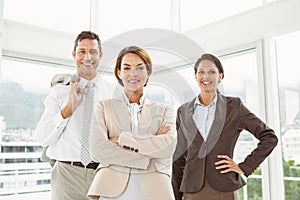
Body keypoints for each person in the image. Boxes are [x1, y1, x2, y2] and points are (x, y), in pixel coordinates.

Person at [172, 53, 278, 200]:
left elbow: (269, 137)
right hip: (191, 189)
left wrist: (245, 166)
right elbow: (178, 156)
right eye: (201, 72)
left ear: (220, 75)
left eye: (212, 72)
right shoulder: (183, 111)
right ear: (195, 76)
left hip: (223, 187)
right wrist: (176, 195)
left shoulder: (234, 106)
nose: (206, 77)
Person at [87, 46, 177, 200]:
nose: (133, 73)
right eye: (127, 68)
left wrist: (121, 139)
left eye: (140, 68)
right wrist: (149, 155)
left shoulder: (164, 110)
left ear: (148, 73)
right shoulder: (104, 106)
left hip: (155, 190)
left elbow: (168, 148)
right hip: (111, 189)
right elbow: (97, 150)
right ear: (119, 73)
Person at [36, 31, 113, 200]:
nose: (87, 57)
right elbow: (42, 137)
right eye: (82, 51)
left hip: (102, 174)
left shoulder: (113, 93)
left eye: (93, 51)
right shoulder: (59, 92)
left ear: (100, 55)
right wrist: (69, 108)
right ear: (74, 54)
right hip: (66, 176)